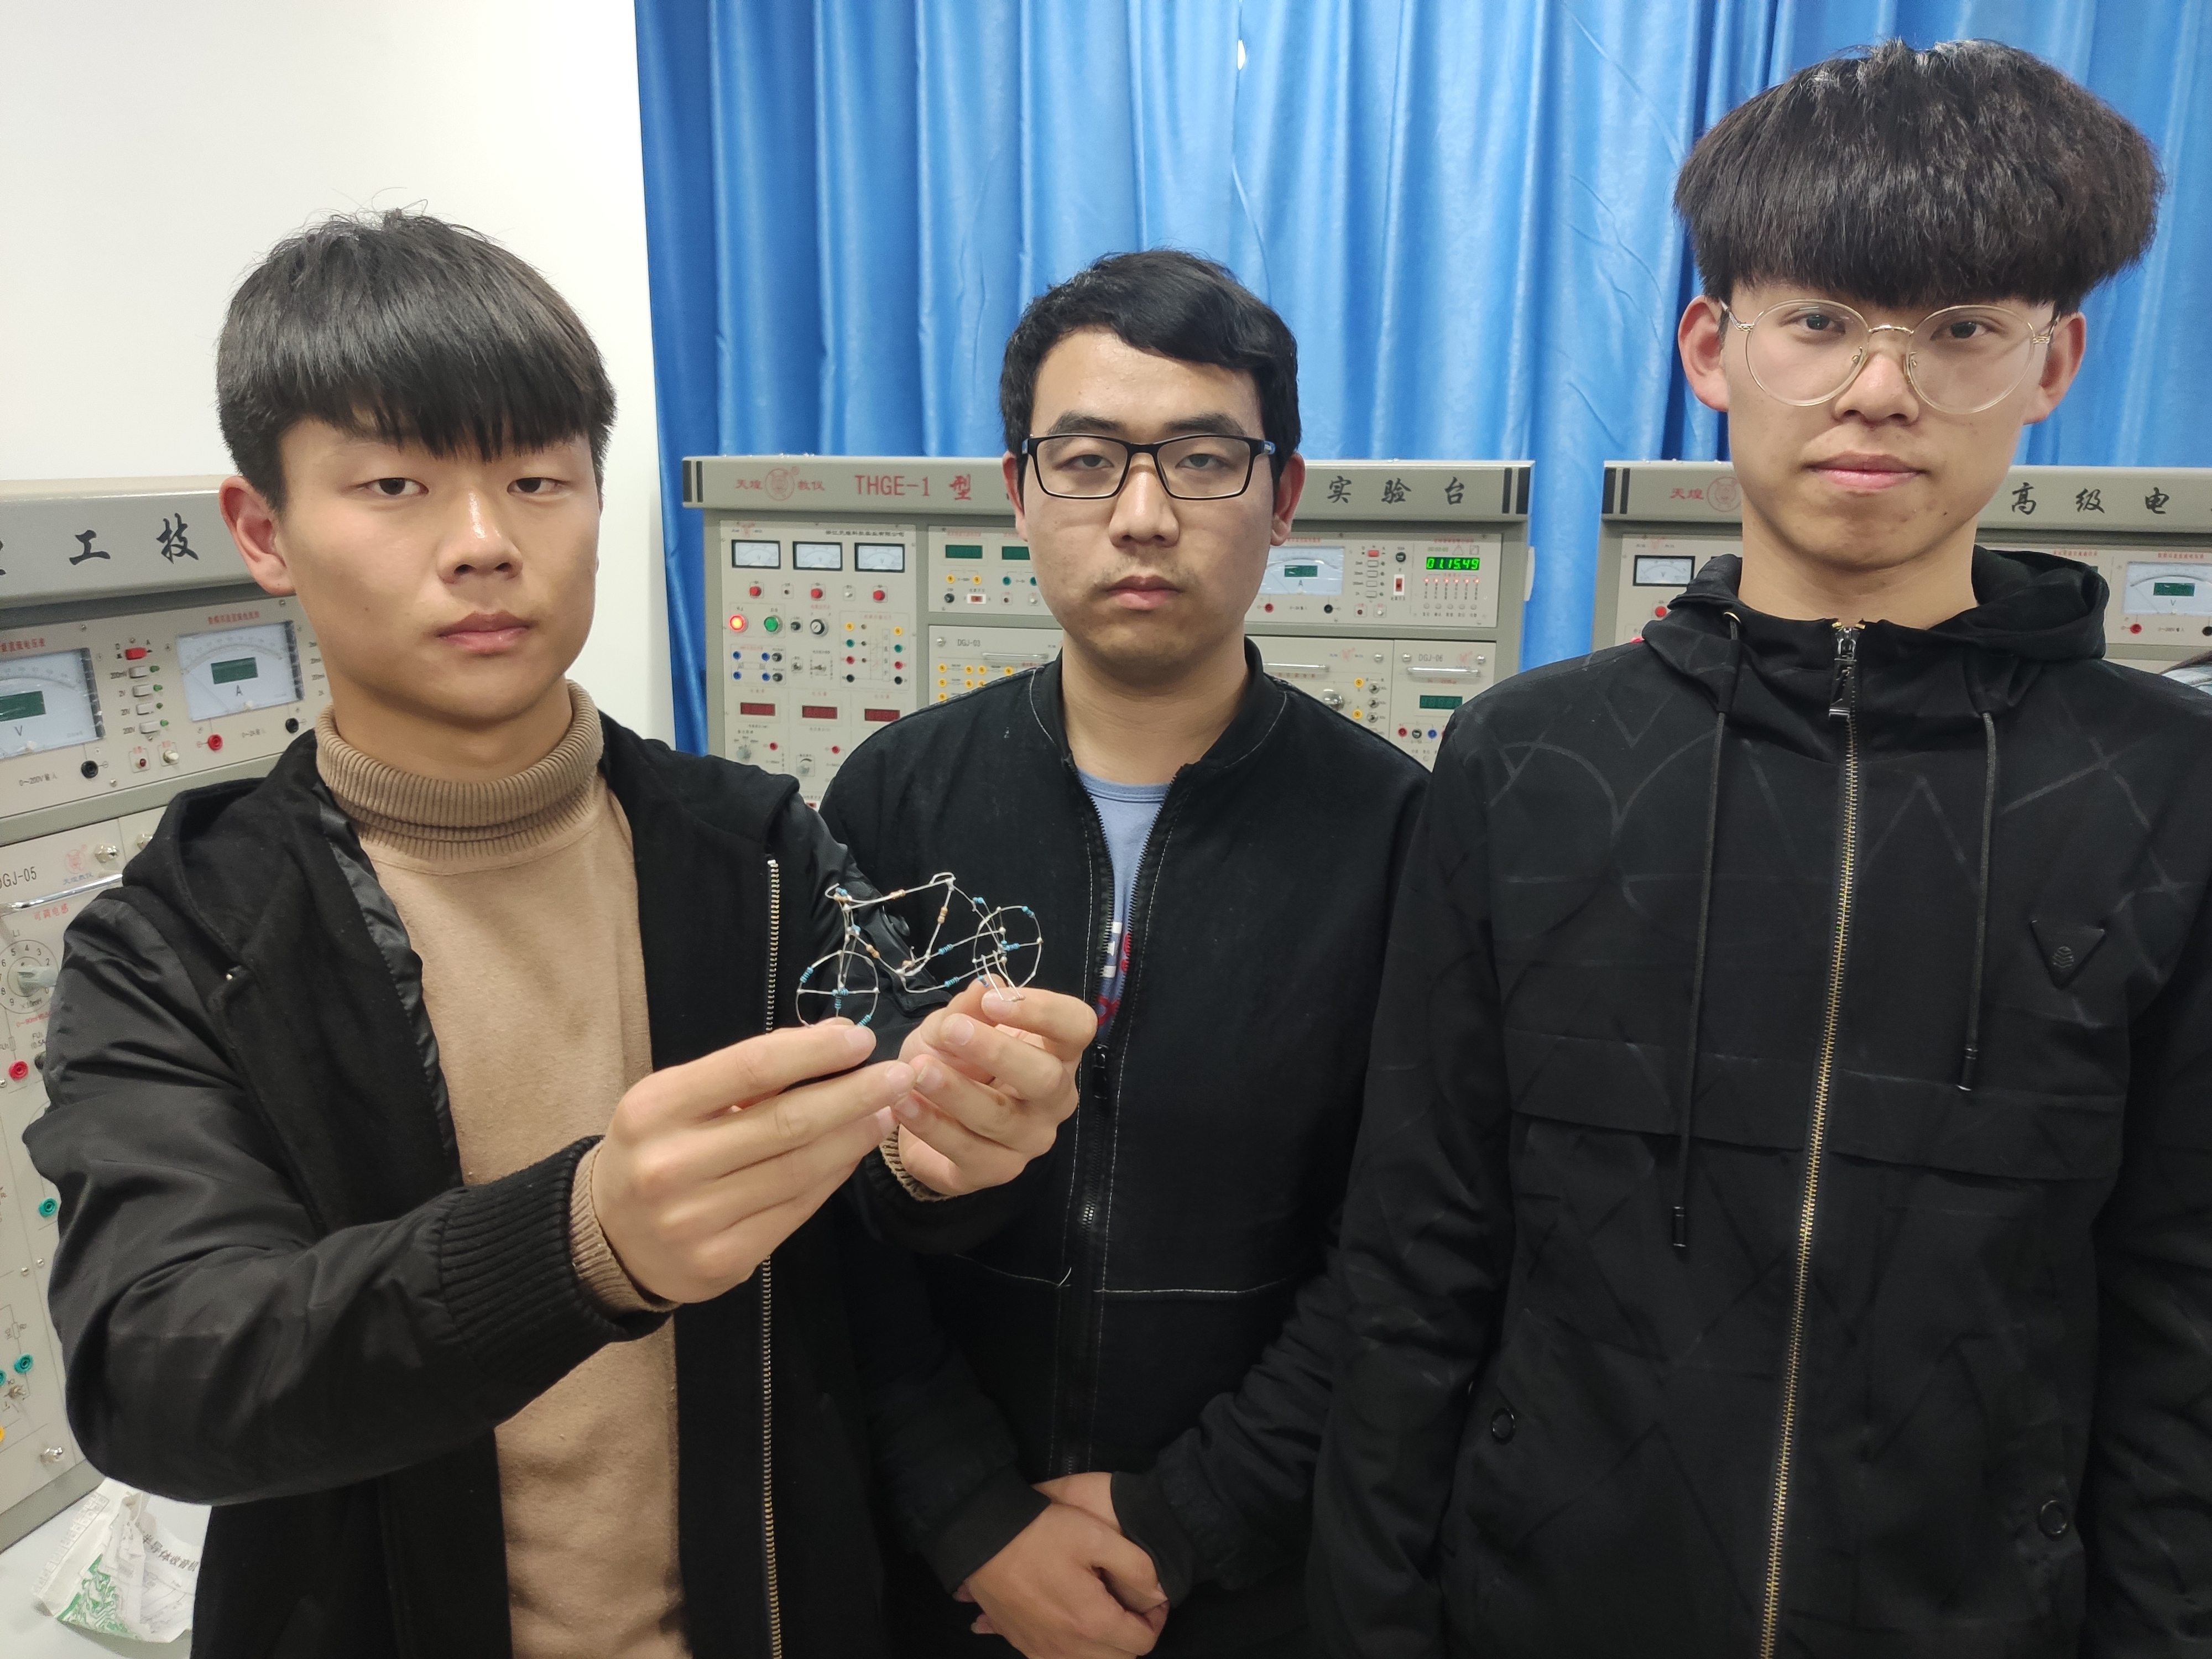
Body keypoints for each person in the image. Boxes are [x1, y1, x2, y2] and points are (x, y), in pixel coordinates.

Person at [25, 210, 1094, 1659]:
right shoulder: (177, 942)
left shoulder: (756, 850)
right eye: (395, 484)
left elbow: (881, 1218)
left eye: (537, 479)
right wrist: (584, 1243)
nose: (483, 545)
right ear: (263, 530)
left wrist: (955, 1142)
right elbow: (158, 1374)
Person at [1311, 39, 2200, 1658]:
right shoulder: (1528, 763)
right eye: (1821, 321)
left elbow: (2180, 1322)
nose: (1881, 389)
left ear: (2054, 362)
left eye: (1960, 331)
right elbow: (1416, 1265)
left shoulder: (2166, 789)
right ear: (1712, 347)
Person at [822, 250, 1426, 1659]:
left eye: (1203, 460)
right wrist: (971, 1516)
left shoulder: (1399, 831)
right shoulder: (894, 800)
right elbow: (835, 1206)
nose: (1143, 516)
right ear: (1017, 490)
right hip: (940, 1577)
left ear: (1282, 495)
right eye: (1087, 461)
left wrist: (1185, 1514)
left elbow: (1405, 1245)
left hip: (1246, 1577)